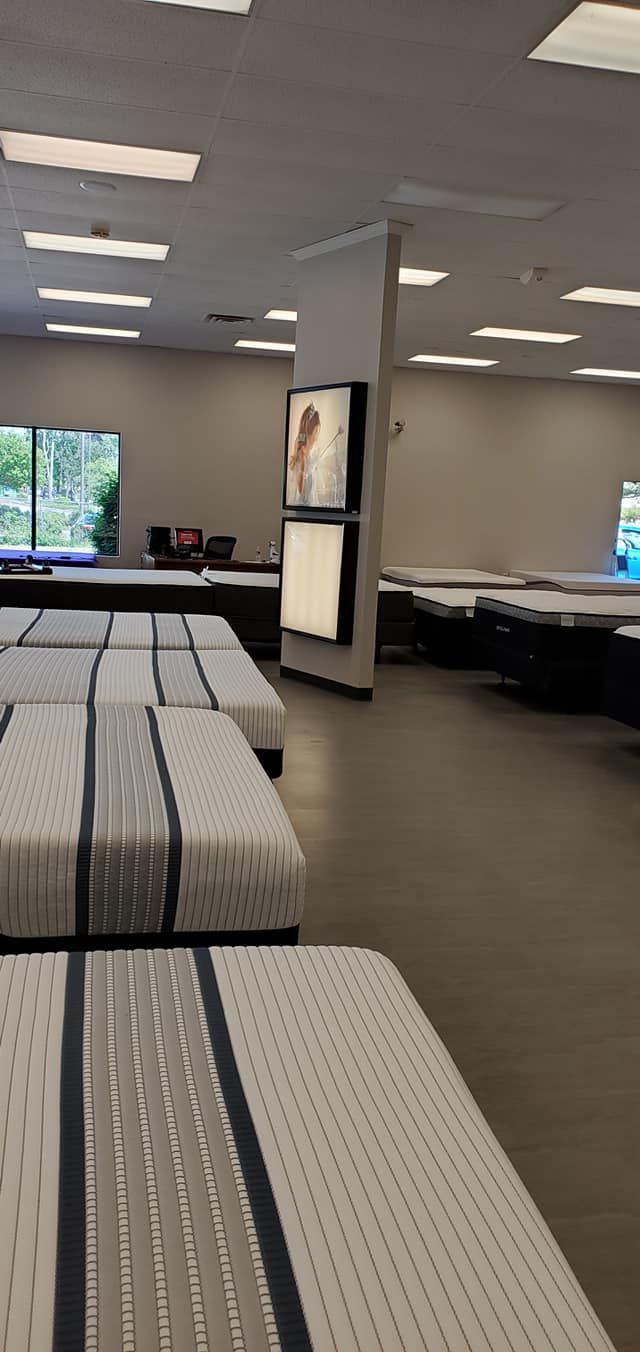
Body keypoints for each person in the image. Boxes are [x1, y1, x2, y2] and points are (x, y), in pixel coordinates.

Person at [288, 402, 321, 505]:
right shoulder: (303, 450)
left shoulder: (311, 450)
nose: (317, 436)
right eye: (317, 430)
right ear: (313, 430)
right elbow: (301, 479)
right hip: (305, 501)